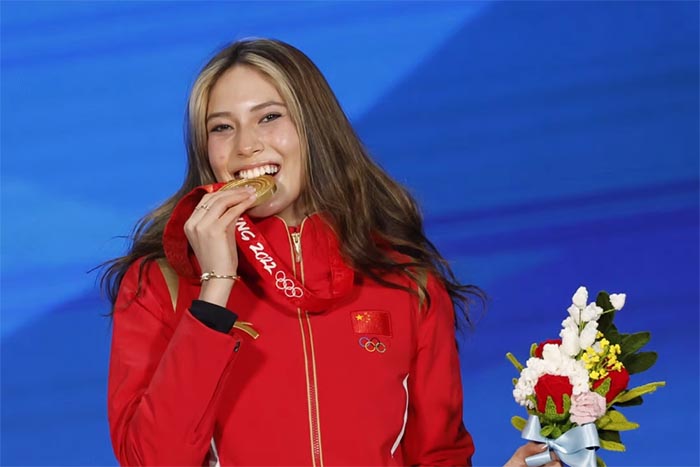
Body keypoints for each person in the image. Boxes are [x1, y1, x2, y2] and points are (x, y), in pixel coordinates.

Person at [102, 38, 558, 467]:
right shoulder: (161, 282)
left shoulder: (405, 282)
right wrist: (214, 291)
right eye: (221, 127)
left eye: (269, 117)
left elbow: (438, 456)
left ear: (315, 129)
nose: (246, 145)